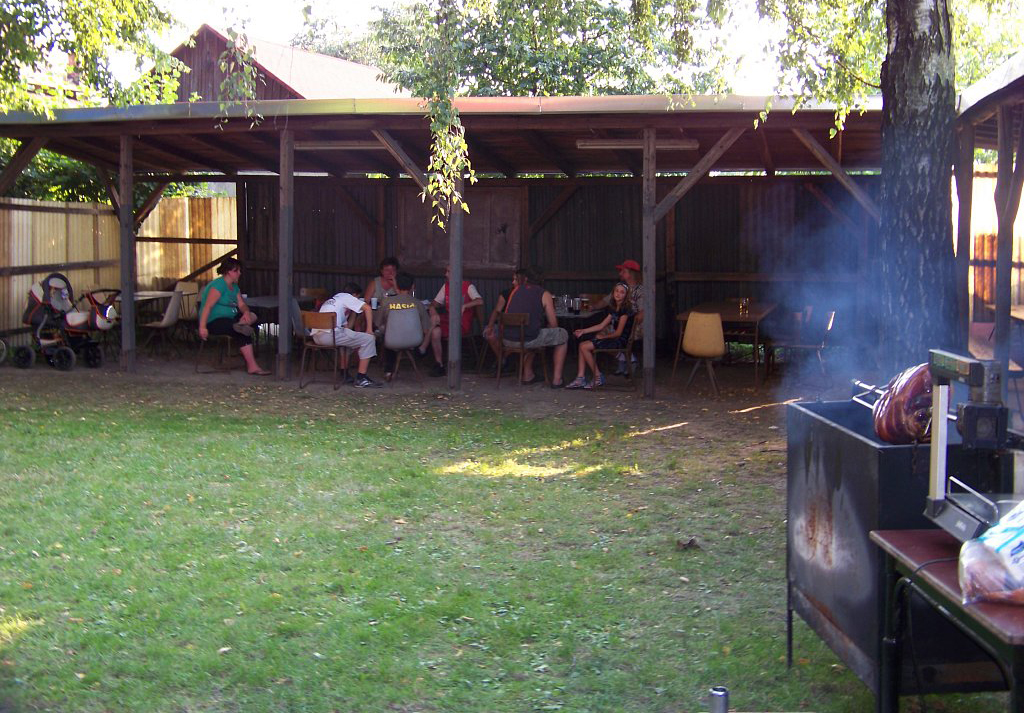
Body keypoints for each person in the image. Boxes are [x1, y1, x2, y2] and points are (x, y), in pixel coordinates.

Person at [197, 257, 270, 375]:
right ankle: (252, 366)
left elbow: (242, 304)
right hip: (213, 321)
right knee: (241, 330)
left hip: (231, 319)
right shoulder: (218, 285)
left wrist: (246, 312)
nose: (239, 273)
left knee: (250, 319)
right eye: (236, 271)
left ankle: (241, 324)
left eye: (239, 271)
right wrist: (202, 327)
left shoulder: (235, 287)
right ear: (228, 272)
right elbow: (207, 307)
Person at [502, 267, 568, 388]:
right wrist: (549, 326)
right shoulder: (544, 293)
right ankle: (557, 380)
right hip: (527, 340)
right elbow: (554, 325)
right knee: (562, 335)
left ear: (525, 279)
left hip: (507, 339)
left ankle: (528, 375)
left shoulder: (515, 291)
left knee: (532, 334)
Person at [565, 282, 633, 389]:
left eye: (622, 292)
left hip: (620, 340)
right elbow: (601, 325)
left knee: (584, 346)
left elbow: (619, 333)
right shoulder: (614, 308)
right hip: (614, 338)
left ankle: (598, 377)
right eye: (616, 291)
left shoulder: (625, 310)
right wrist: (583, 331)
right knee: (582, 345)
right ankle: (580, 378)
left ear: (626, 295)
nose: (618, 294)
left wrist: (603, 337)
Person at [314, 283, 382, 388]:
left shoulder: (334, 300)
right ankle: (361, 378)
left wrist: (354, 312)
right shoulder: (347, 297)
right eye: (358, 298)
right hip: (330, 335)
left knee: (347, 340)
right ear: (354, 295)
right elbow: (367, 308)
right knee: (369, 339)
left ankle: (344, 374)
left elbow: (348, 328)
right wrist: (369, 330)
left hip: (318, 337)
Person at [425, 264, 484, 377]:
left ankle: (423, 349)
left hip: (461, 323)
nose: (446, 274)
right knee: (435, 330)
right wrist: (433, 309)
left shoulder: (468, 286)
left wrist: (465, 305)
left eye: (448, 271)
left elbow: (480, 301)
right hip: (449, 320)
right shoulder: (446, 286)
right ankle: (439, 364)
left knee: (436, 328)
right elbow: (435, 303)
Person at [591, 259, 643, 376]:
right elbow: (606, 301)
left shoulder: (640, 291)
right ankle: (625, 358)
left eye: (623, 271)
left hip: (634, 327)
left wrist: (630, 323)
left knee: (609, 337)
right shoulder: (621, 288)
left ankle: (626, 361)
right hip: (618, 325)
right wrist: (592, 307)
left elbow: (642, 312)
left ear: (631, 274)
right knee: (598, 337)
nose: (620, 274)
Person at [377, 272, 430, 381]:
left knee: (385, 333)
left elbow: (378, 323)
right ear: (412, 287)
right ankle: (418, 357)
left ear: (396, 285)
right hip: (414, 341)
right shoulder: (418, 304)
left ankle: (388, 370)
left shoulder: (386, 302)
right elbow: (426, 329)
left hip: (391, 341)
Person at [483, 270, 520, 372]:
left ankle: (504, 360)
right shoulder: (506, 294)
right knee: (490, 334)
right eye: (513, 279)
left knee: (513, 338)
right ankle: (502, 360)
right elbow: (496, 311)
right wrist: (490, 326)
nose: (513, 282)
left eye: (515, 280)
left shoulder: (528, 296)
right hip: (503, 326)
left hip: (518, 329)